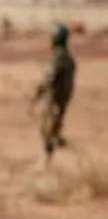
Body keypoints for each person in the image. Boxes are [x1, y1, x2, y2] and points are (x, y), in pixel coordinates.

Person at [33, 23, 75, 166]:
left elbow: (50, 77)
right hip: (62, 99)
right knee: (51, 130)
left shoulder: (58, 58)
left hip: (54, 99)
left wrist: (39, 91)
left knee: (48, 132)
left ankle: (50, 163)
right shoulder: (68, 58)